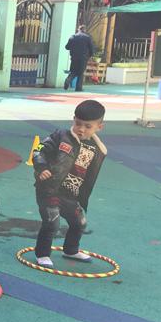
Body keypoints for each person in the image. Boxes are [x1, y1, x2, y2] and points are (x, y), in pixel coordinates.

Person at [32, 99, 107, 267]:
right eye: (78, 123)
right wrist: (42, 167)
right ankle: (42, 254)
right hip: (50, 188)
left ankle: (71, 250)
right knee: (52, 222)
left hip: (72, 194)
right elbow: (39, 150)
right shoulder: (61, 136)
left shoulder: (96, 148)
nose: (81, 129)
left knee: (79, 222)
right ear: (73, 119)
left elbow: (95, 164)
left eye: (88, 126)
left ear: (99, 127)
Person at [64, 25, 94, 92]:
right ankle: (78, 88)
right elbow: (91, 48)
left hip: (74, 57)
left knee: (73, 71)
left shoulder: (73, 36)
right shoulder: (87, 38)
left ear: (78, 29)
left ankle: (68, 80)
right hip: (83, 58)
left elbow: (67, 47)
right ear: (84, 30)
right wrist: (91, 55)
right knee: (80, 72)